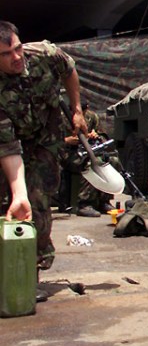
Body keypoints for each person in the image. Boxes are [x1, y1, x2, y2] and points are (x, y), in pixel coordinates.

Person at [0, 21, 88, 302]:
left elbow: (69, 71)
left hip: (45, 138)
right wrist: (18, 193)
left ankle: (30, 274)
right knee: (13, 202)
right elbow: (9, 147)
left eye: (16, 48)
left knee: (38, 201)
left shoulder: (44, 55)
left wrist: (76, 110)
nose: (15, 57)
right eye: (5, 55)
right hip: (11, 141)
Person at [63, 102, 114, 217]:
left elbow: (103, 136)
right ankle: (84, 204)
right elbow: (51, 141)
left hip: (88, 150)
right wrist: (67, 140)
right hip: (66, 154)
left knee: (109, 161)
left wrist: (96, 135)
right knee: (88, 163)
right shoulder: (62, 118)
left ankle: (104, 201)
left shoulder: (92, 117)